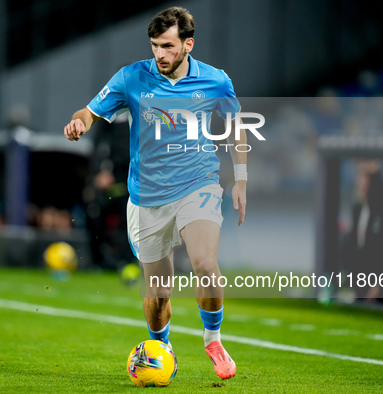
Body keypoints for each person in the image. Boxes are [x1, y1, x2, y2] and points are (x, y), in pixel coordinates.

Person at [64, 7, 246, 380]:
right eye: (154, 46)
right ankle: (160, 345)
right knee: (159, 293)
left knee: (205, 264)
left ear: (187, 44)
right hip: (146, 197)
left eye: (167, 45)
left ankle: (213, 338)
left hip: (198, 184)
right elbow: (91, 111)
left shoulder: (215, 80)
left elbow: (236, 125)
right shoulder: (132, 77)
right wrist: (79, 122)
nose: (159, 54)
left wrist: (241, 178)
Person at [340, 159, 383, 302]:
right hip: (362, 288)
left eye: (366, 177)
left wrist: (379, 284)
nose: (361, 182)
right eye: (360, 175)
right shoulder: (358, 210)